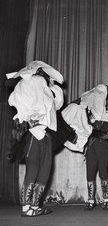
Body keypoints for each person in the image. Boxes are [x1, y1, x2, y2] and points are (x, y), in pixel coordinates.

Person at [7, 61, 64, 217]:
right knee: (33, 170)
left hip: (45, 133)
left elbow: (57, 105)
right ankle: (26, 208)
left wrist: (52, 87)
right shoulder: (30, 82)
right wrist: (29, 116)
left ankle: (35, 205)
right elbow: (14, 100)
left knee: (45, 171)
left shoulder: (45, 87)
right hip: (33, 132)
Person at [84, 96, 108, 211]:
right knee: (90, 173)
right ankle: (91, 201)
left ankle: (106, 201)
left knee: (103, 173)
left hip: (102, 146)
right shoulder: (96, 113)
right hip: (91, 146)